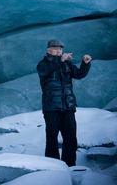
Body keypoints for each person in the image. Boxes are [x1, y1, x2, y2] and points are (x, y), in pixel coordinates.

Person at [37, 39, 91, 167]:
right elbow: (46, 71)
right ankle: (53, 167)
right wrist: (60, 61)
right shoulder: (43, 64)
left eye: (60, 49)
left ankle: (70, 166)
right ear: (48, 50)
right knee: (52, 140)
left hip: (68, 107)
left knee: (71, 140)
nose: (58, 51)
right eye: (55, 48)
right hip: (51, 108)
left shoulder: (67, 64)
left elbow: (79, 74)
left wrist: (85, 63)